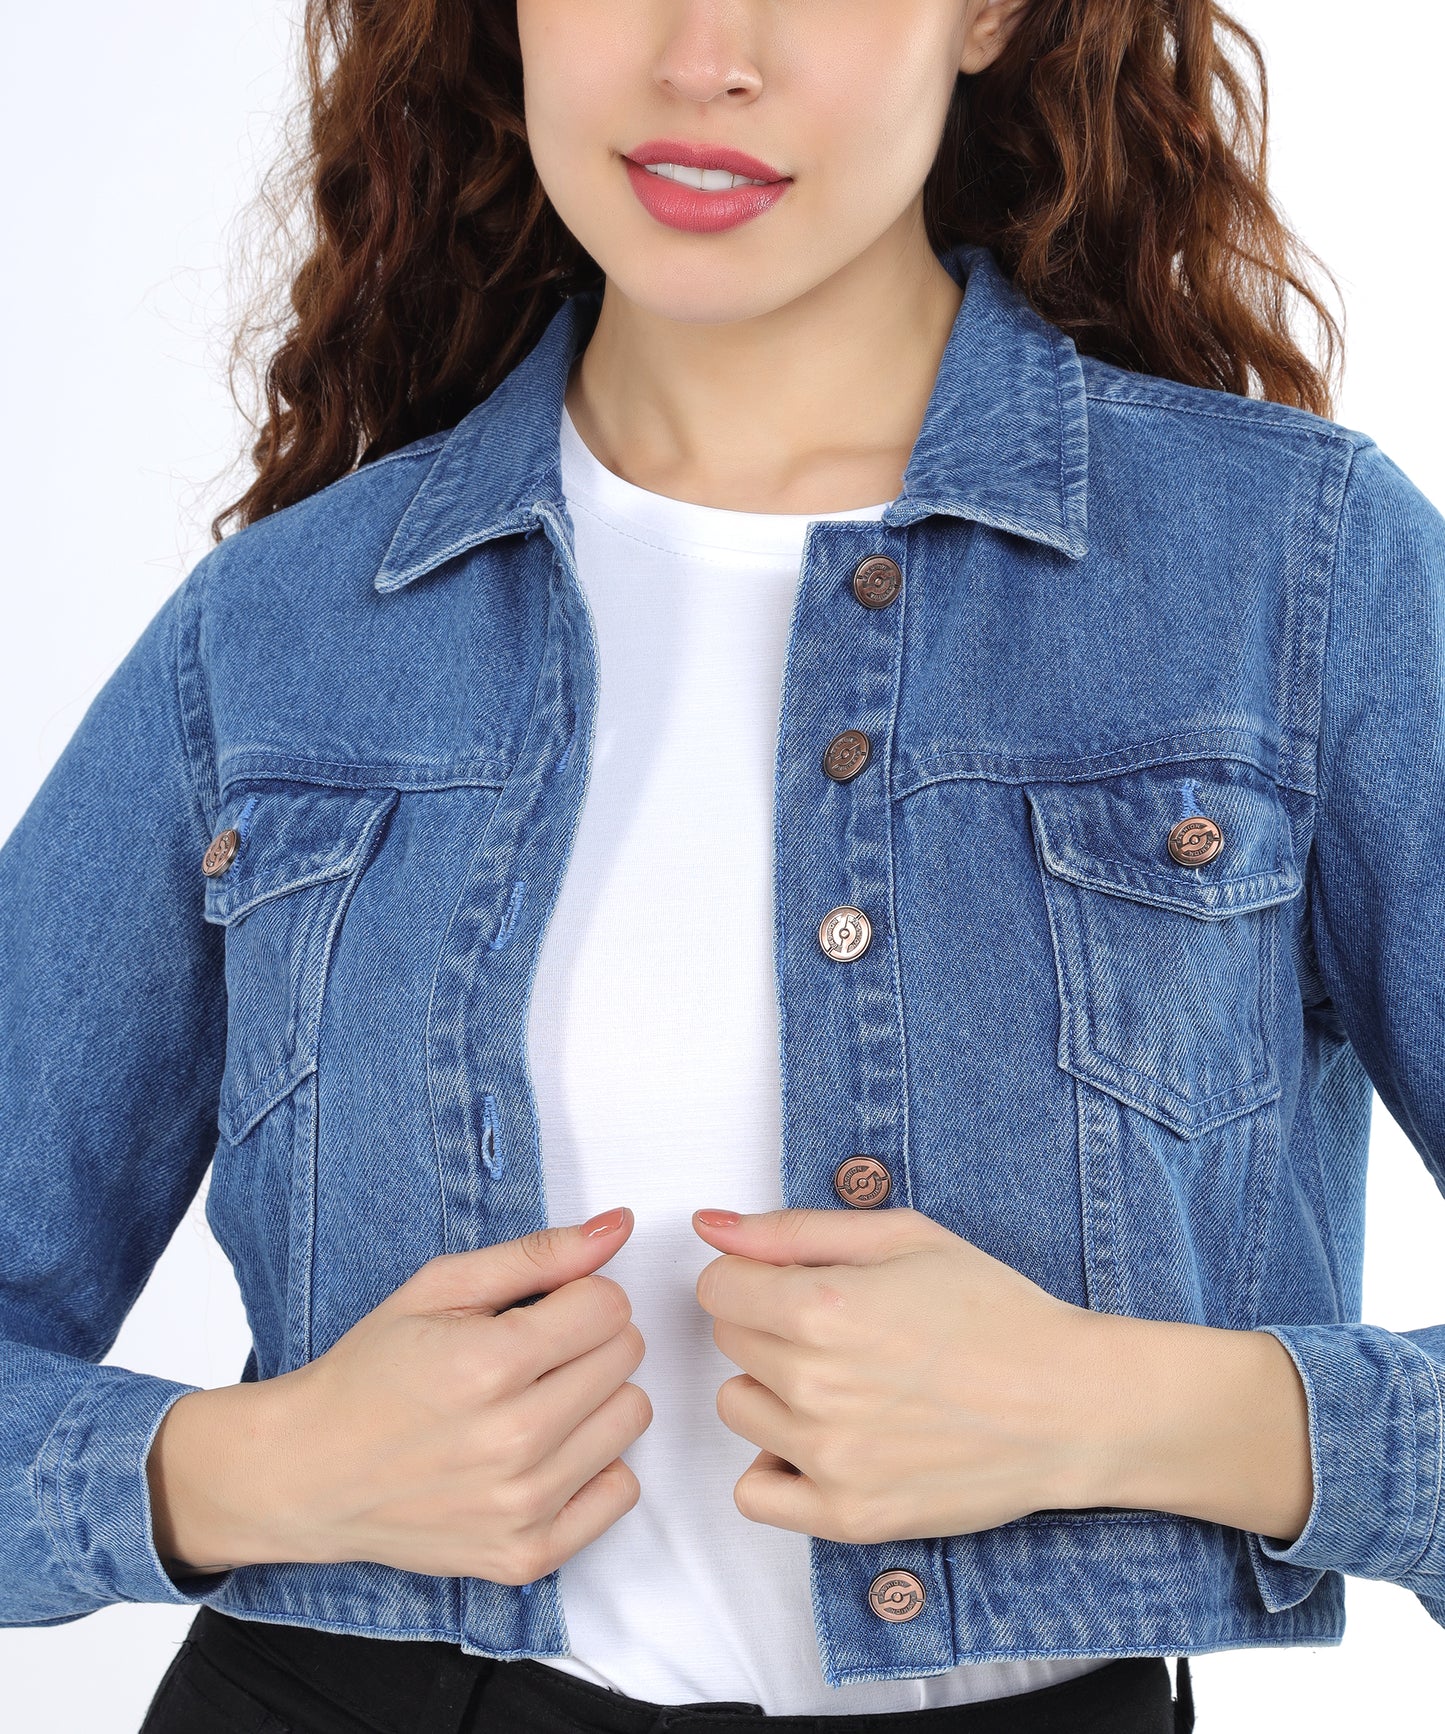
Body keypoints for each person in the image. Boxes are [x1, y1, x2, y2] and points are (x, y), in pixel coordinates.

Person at [3, 0, 1443, 1730]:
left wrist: (1134, 1411)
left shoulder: (1291, 579)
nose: (705, 54)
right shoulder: (278, 636)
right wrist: (230, 1469)